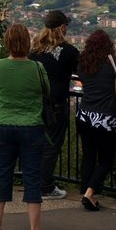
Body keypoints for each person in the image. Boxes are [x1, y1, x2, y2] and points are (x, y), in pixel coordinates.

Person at [0, 22, 52, 230]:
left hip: (4, 125)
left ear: (7, 42)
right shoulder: (36, 68)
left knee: (2, 174)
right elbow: (47, 91)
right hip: (31, 127)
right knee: (32, 176)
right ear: (27, 43)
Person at [75, 29, 116, 211]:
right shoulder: (112, 62)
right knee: (106, 160)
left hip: (84, 116)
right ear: (108, 44)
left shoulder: (82, 62)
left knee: (88, 156)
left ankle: (85, 193)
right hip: (105, 119)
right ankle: (89, 193)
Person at [30, 10, 79, 200]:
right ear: (63, 28)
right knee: (52, 146)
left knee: (37, 145)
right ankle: (46, 186)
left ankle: (35, 182)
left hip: (36, 103)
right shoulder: (68, 52)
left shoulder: (35, 50)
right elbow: (83, 71)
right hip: (56, 105)